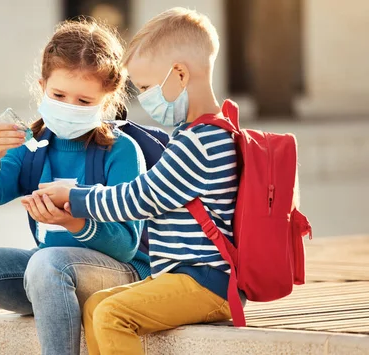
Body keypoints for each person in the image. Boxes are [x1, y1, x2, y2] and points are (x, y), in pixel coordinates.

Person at [0, 19, 149, 355]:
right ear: (42, 86)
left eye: (83, 101)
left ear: (106, 101)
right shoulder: (32, 145)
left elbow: (126, 246)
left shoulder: (121, 152)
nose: (68, 107)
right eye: (59, 95)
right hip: (47, 277)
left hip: (119, 275)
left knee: (47, 264)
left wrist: (73, 221)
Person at [32, 8, 239, 355]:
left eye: (146, 87)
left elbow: (140, 198)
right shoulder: (203, 132)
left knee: (112, 313)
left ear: (180, 74)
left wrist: (75, 196)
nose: (144, 98)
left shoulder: (199, 141)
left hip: (208, 284)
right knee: (96, 305)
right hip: (185, 279)